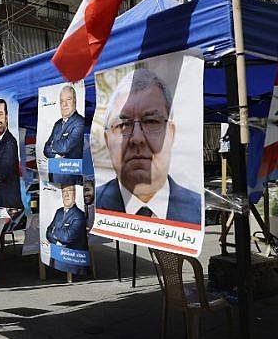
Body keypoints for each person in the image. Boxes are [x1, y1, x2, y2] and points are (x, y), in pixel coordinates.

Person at [96, 69, 201, 224]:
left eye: (151, 122)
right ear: (107, 139)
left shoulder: (197, 211)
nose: (137, 138)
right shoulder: (92, 208)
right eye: (123, 125)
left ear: (171, 134)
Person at [0, 99, 24, 209]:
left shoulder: (11, 141)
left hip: (12, 202)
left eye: (1, 114)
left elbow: (6, 167)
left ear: (6, 116)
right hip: (0, 197)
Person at [43, 85, 85, 160]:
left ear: (75, 100)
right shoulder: (58, 124)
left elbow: (64, 148)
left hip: (73, 169)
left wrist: (52, 144)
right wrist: (56, 157)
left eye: (68, 99)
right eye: (62, 101)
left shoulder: (80, 122)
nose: (64, 104)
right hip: (57, 169)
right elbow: (46, 149)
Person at [46, 185, 87, 250]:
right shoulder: (59, 211)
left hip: (73, 256)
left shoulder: (79, 215)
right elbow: (48, 232)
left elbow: (67, 237)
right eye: (64, 191)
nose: (66, 194)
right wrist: (57, 243)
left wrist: (54, 230)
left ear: (74, 194)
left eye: (69, 190)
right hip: (57, 253)